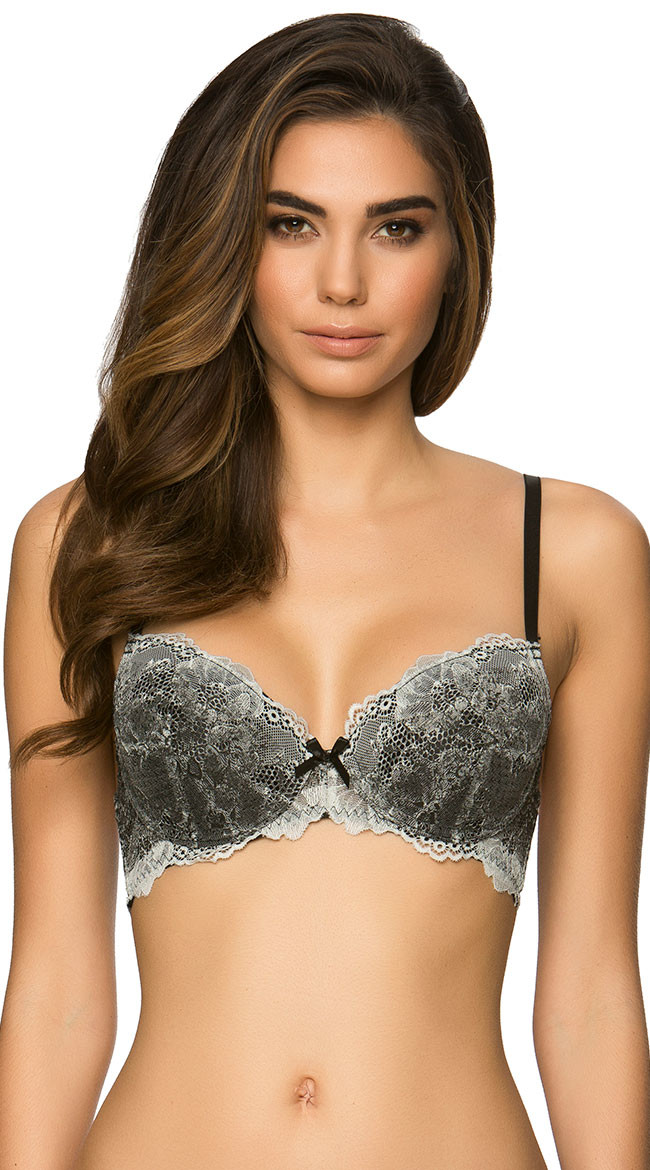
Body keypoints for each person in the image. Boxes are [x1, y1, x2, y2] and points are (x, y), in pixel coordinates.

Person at [1, 12, 648, 1170]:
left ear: (457, 252)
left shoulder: (572, 553)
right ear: (223, 241)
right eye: (288, 224)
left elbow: (590, 993)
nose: (341, 282)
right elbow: (55, 985)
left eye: (395, 228)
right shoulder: (87, 540)